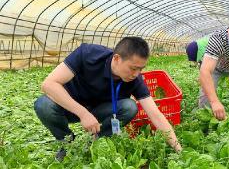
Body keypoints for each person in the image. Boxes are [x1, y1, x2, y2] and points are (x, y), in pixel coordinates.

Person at [34, 37, 182, 161]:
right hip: (70, 107)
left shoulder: (135, 79)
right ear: (117, 58)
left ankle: (99, 140)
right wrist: (83, 113)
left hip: (100, 111)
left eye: (141, 69)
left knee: (129, 107)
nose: (137, 74)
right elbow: (49, 84)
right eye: (133, 68)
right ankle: (66, 142)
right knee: (43, 105)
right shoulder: (88, 54)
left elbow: (155, 115)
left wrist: (178, 149)